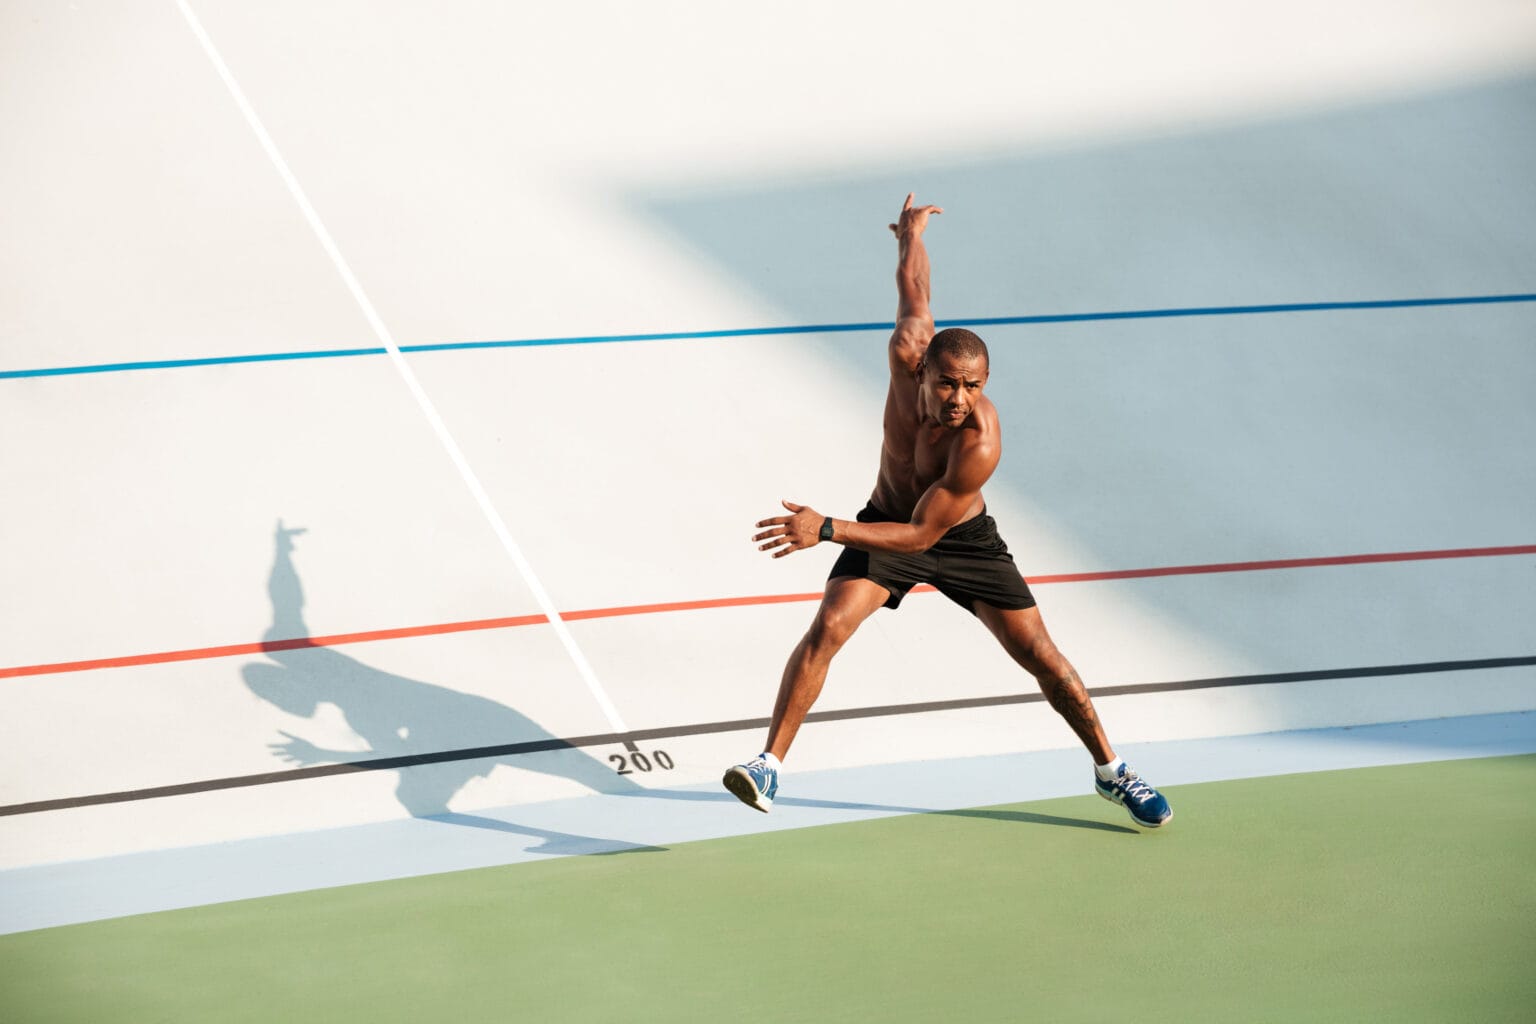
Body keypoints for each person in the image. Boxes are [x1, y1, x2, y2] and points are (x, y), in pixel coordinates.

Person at [722, 194, 1172, 828]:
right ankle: (769, 763)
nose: (960, 398)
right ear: (921, 369)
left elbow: (921, 535)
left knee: (1043, 657)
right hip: (887, 518)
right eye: (948, 383)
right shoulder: (907, 346)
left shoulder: (979, 443)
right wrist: (911, 237)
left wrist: (825, 528)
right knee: (829, 627)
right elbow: (915, 290)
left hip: (959, 540)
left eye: (974, 386)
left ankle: (1112, 770)